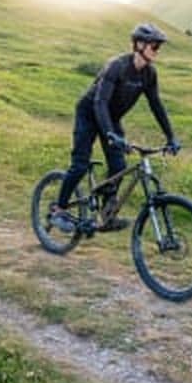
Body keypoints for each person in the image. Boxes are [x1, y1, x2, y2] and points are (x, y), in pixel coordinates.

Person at [51, 23, 181, 233]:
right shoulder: (117, 66)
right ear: (139, 45)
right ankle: (58, 210)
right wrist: (110, 134)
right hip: (89, 112)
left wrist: (171, 137)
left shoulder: (149, 74)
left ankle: (107, 214)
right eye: (154, 46)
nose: (157, 51)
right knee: (80, 165)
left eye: (159, 47)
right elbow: (100, 102)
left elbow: (157, 106)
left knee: (119, 165)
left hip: (110, 118)